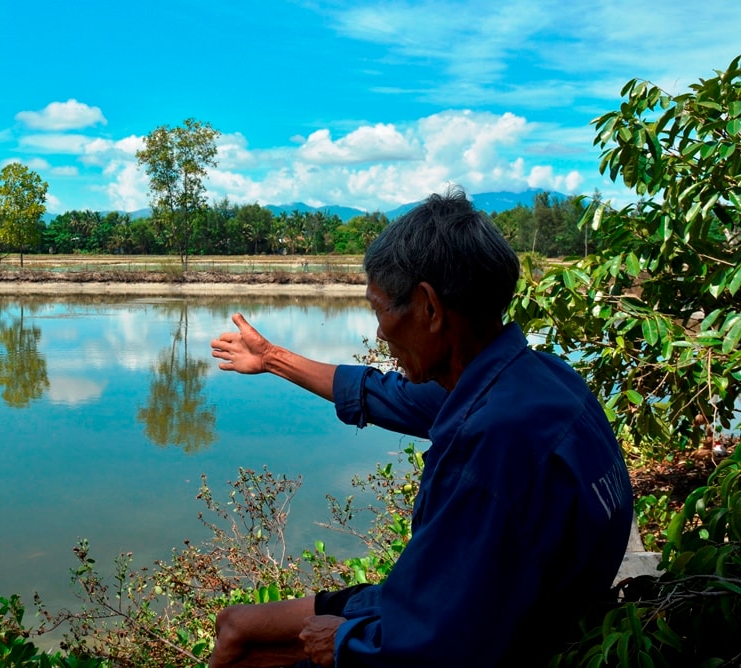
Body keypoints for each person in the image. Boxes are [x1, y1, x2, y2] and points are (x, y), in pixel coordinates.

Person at [208, 188, 633, 667]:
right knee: (236, 626)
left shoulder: (492, 446)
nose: (380, 333)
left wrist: (344, 641)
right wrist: (270, 358)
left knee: (245, 644)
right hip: (501, 605)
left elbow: (444, 643)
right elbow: (381, 394)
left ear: (429, 308)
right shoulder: (534, 380)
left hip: (490, 632)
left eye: (379, 310)